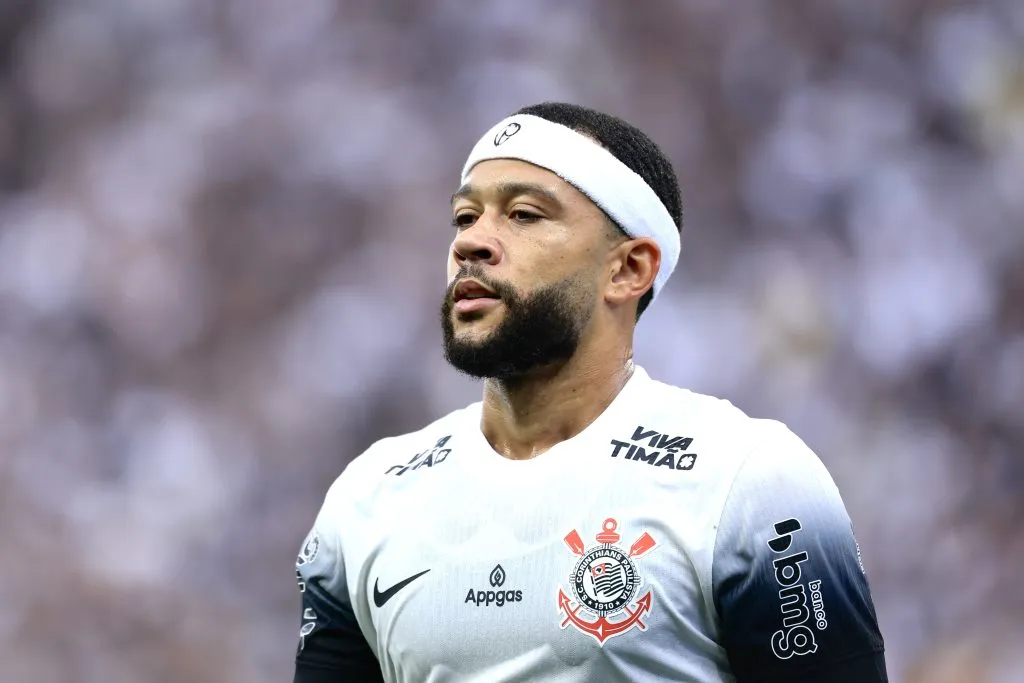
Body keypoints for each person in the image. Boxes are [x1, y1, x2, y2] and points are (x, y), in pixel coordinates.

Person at [292, 102, 888, 682]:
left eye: (523, 215)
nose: (471, 243)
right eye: (465, 217)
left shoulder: (746, 481)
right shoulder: (369, 498)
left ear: (628, 269)